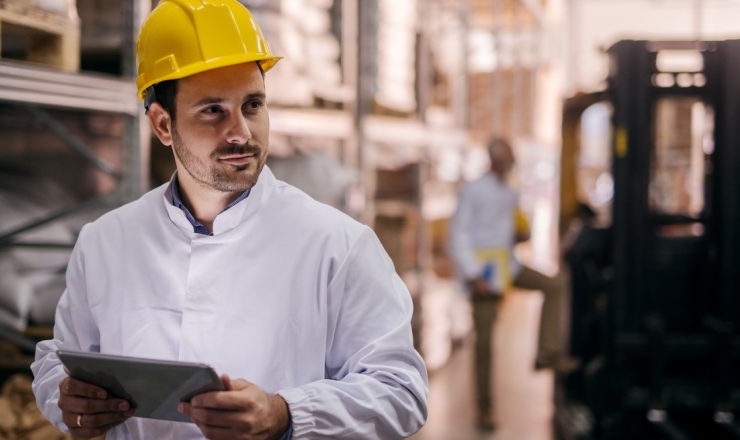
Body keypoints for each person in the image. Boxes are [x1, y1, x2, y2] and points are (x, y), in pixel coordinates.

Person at [30, 1, 428, 438]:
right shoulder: (106, 242)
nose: (241, 132)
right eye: (213, 111)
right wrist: (65, 399)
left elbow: (400, 391)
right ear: (163, 125)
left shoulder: (338, 246)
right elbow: (59, 359)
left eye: (253, 105)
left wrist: (286, 414)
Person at [448, 137, 571, 432]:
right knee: (485, 345)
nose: (511, 163)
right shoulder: (473, 191)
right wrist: (473, 273)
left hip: (507, 266)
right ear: (495, 159)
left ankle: (547, 351)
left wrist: (520, 232)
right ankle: (484, 410)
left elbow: (511, 231)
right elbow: (458, 235)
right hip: (484, 274)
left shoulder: (509, 192)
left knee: (554, 283)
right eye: (508, 157)